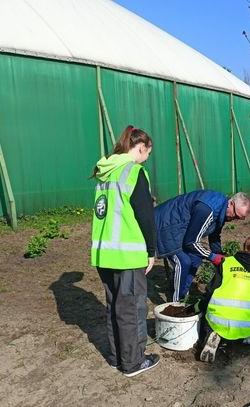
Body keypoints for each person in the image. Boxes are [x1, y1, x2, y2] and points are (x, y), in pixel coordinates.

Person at [90, 125, 160, 377]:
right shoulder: (134, 172)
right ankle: (133, 362)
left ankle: (117, 357)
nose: (146, 158)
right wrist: (151, 250)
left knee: (114, 307)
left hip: (104, 253)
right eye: (147, 153)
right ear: (140, 148)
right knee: (131, 308)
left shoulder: (105, 172)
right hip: (127, 255)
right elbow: (145, 215)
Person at [198, 235, 250, 363]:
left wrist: (200, 308)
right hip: (248, 323)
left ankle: (213, 333)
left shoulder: (226, 263)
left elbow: (210, 291)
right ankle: (249, 337)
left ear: (244, 248)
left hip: (219, 320)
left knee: (209, 312)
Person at [154, 190, 250, 302]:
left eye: (239, 218)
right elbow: (191, 242)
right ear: (231, 203)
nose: (234, 218)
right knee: (183, 262)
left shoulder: (222, 210)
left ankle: (183, 293)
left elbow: (214, 235)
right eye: (235, 215)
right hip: (165, 227)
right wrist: (213, 257)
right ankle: (176, 302)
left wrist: (219, 254)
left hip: (180, 229)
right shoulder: (206, 210)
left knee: (195, 258)